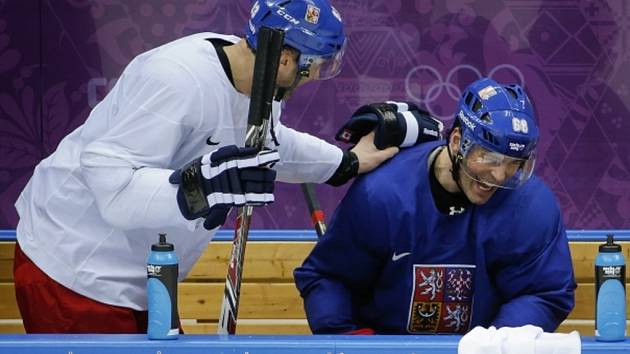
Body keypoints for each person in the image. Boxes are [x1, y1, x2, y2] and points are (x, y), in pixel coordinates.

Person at [13, 0, 399, 334]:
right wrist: (201, 189)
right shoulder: (176, 80)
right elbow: (111, 185)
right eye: (314, 65)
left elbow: (265, 144)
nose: (316, 76)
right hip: (76, 267)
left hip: (145, 275)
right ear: (284, 56)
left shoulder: (259, 80)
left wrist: (346, 162)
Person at [294, 77, 577, 335]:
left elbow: (545, 292)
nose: (500, 175)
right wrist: (348, 339)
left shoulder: (530, 205)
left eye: (515, 164)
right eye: (489, 157)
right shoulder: (382, 195)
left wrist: (499, 344)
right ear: (457, 142)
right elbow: (330, 278)